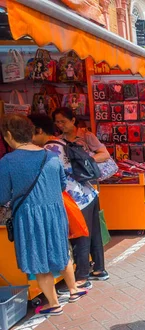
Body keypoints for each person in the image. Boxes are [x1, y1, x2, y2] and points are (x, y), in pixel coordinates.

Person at [0, 115, 87, 315]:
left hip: (29, 215)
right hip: (56, 211)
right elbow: (62, 185)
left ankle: (53, 303)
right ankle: (73, 290)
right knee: (61, 249)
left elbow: (3, 195)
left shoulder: (8, 161)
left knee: (37, 258)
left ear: (10, 135)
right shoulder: (50, 157)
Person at [53, 108, 108, 286]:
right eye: (57, 122)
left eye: (63, 121)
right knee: (89, 230)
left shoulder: (86, 136)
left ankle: (86, 274)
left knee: (86, 232)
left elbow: (105, 154)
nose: (60, 125)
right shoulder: (58, 141)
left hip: (85, 188)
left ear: (73, 120)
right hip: (81, 192)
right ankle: (97, 269)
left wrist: (85, 160)